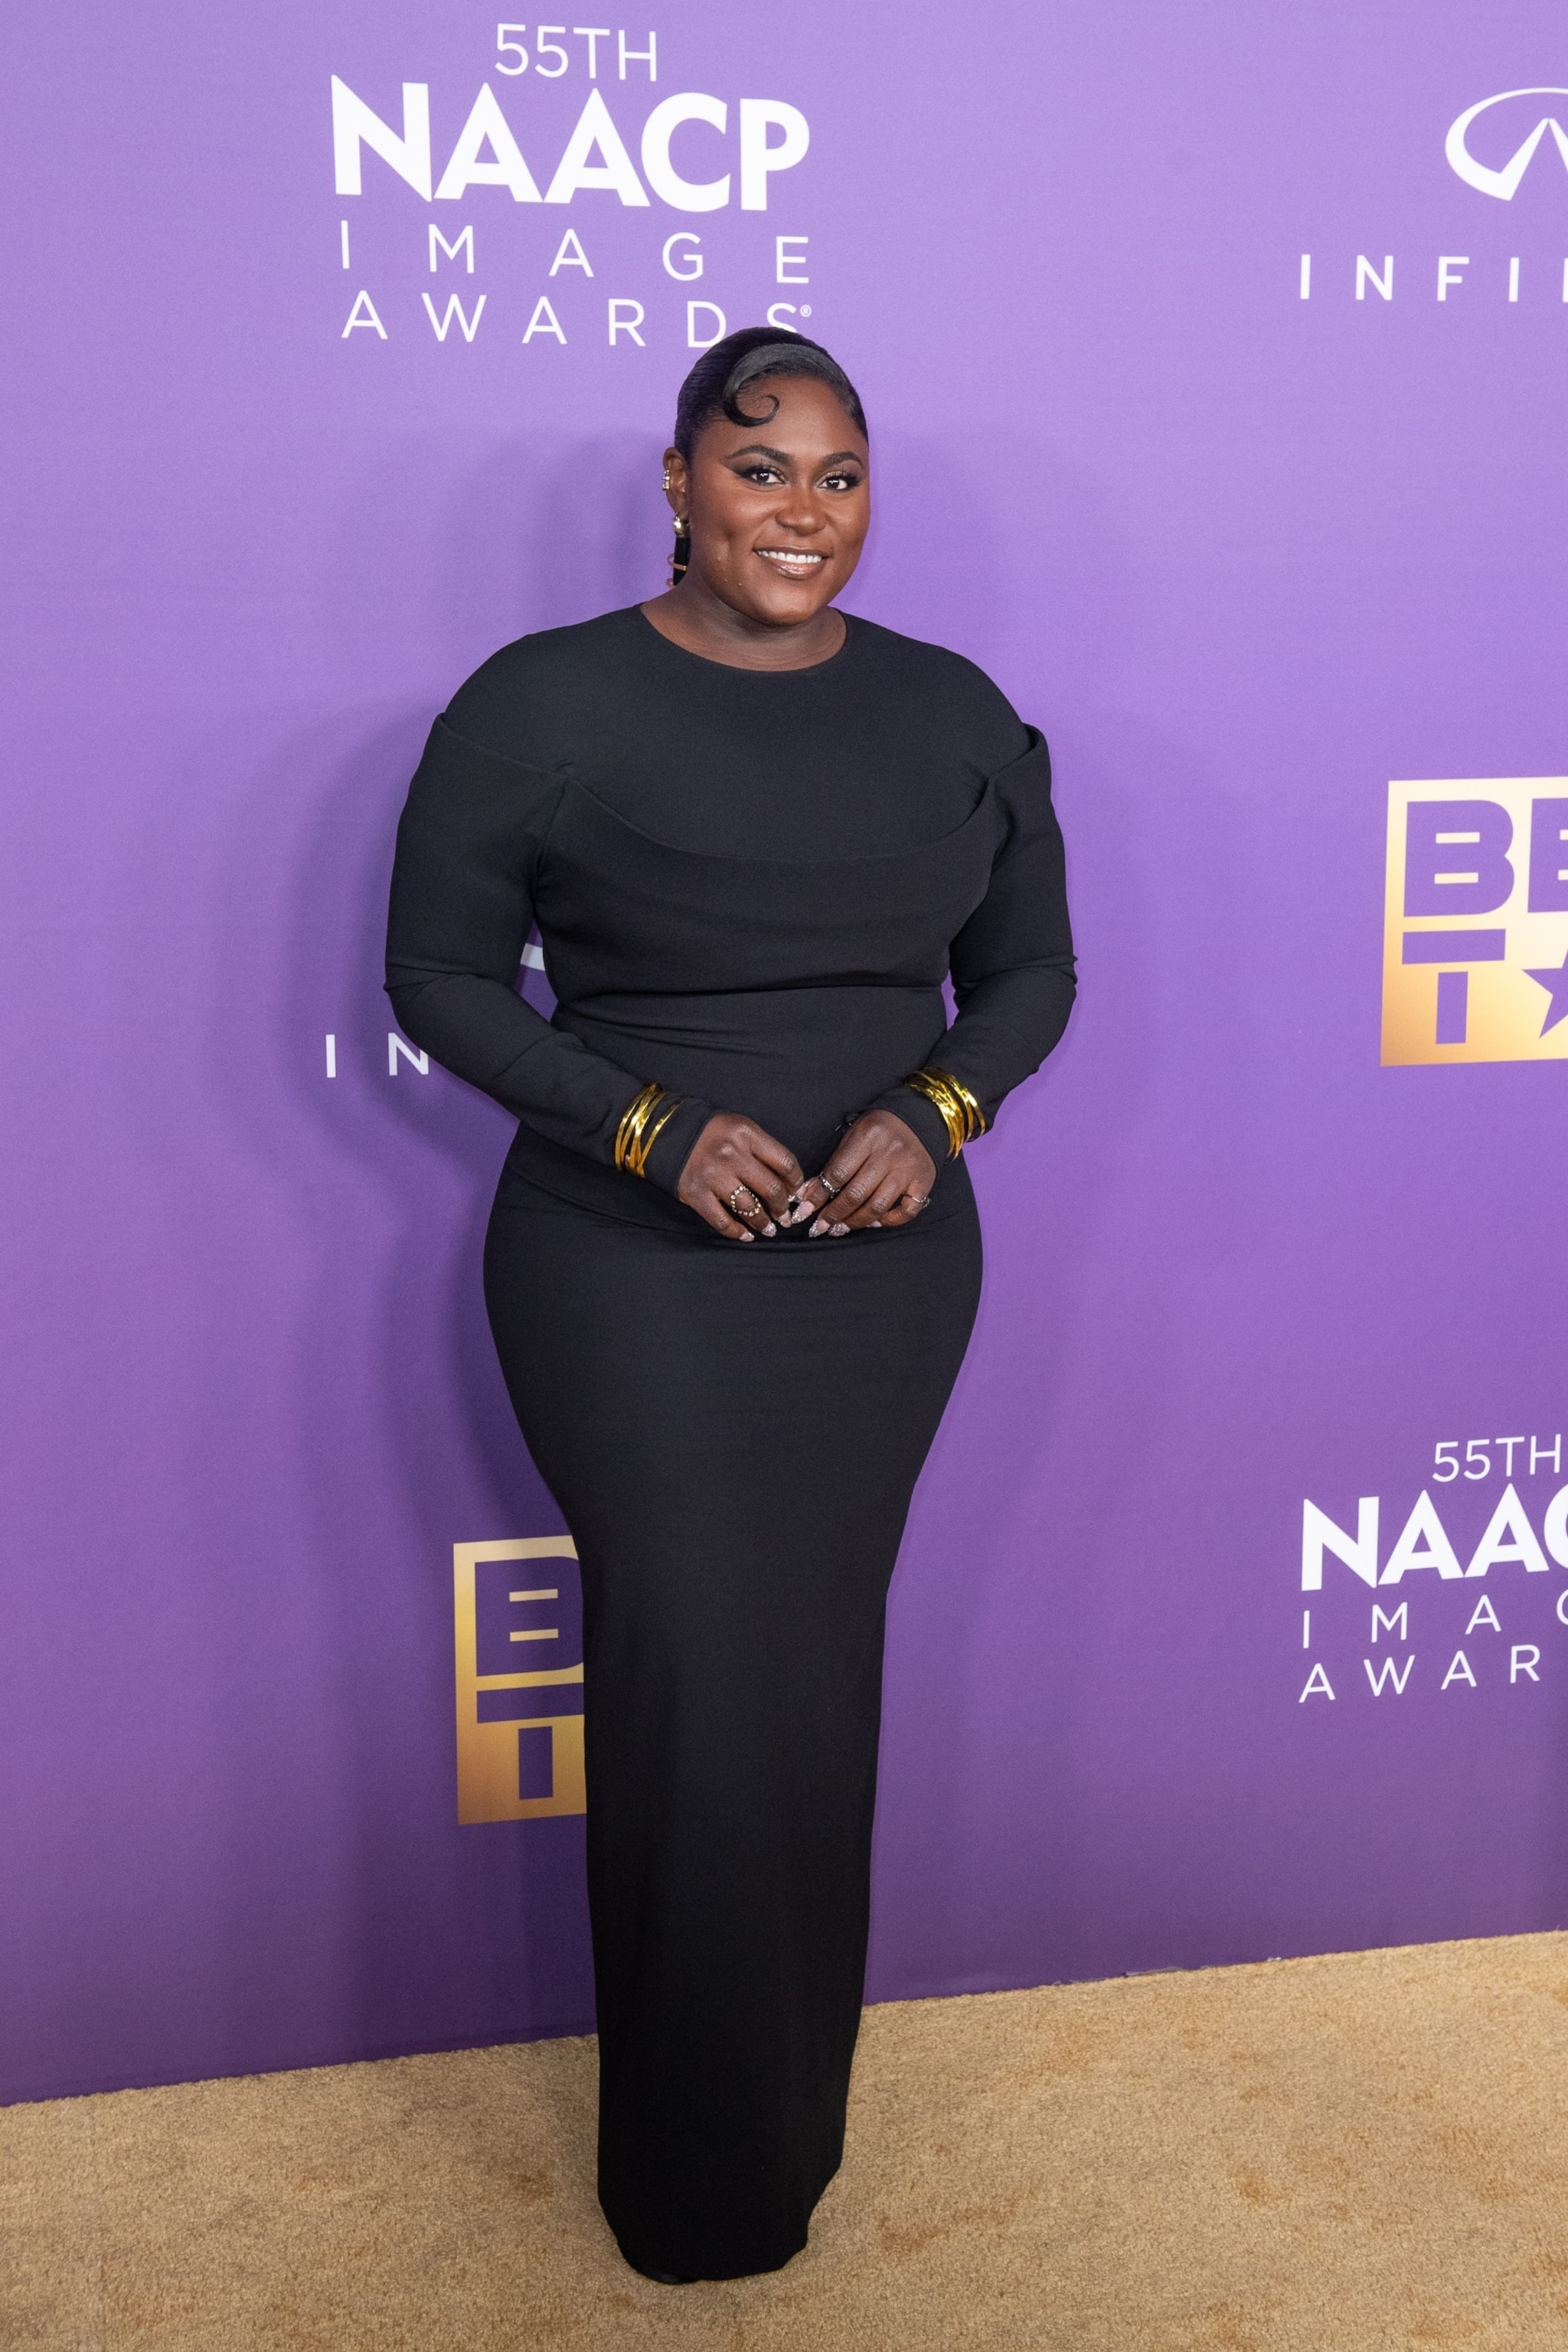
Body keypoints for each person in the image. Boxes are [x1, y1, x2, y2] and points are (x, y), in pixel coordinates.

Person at [384, 325, 1076, 2283]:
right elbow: (434, 979)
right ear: (676, 480)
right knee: (691, 1677)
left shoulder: (949, 708)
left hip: (881, 1275)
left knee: (807, 1678)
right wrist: (645, 1123)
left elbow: (1029, 974)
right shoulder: (542, 703)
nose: (803, 513)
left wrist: (935, 1113)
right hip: (633, 1276)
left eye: (840, 476)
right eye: (760, 468)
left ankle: (781, 2136)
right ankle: (690, 2189)